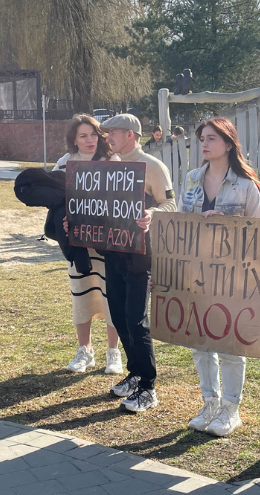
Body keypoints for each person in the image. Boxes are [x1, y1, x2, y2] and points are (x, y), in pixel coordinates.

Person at [181, 117, 260, 437]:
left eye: (211, 138)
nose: (204, 143)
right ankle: (209, 402)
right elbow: (180, 225)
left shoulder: (245, 187)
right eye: (201, 138)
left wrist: (227, 221)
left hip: (233, 276)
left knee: (231, 344)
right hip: (196, 273)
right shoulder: (191, 180)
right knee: (200, 342)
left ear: (228, 144)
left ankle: (231, 408)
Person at [98, 113, 176, 412]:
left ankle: (148, 386)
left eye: (113, 133)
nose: (108, 138)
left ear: (131, 134)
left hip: (141, 253)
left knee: (135, 318)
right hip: (112, 250)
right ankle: (135, 372)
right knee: (118, 316)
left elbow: (170, 202)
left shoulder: (152, 166)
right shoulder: (109, 167)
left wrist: (152, 214)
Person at [54, 115, 121, 375]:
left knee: (110, 294)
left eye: (93, 134)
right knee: (82, 293)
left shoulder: (112, 162)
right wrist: (64, 221)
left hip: (107, 242)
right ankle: (85, 351)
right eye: (83, 136)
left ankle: (113, 353)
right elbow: (57, 203)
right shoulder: (65, 163)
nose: (89, 140)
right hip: (79, 244)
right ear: (74, 139)